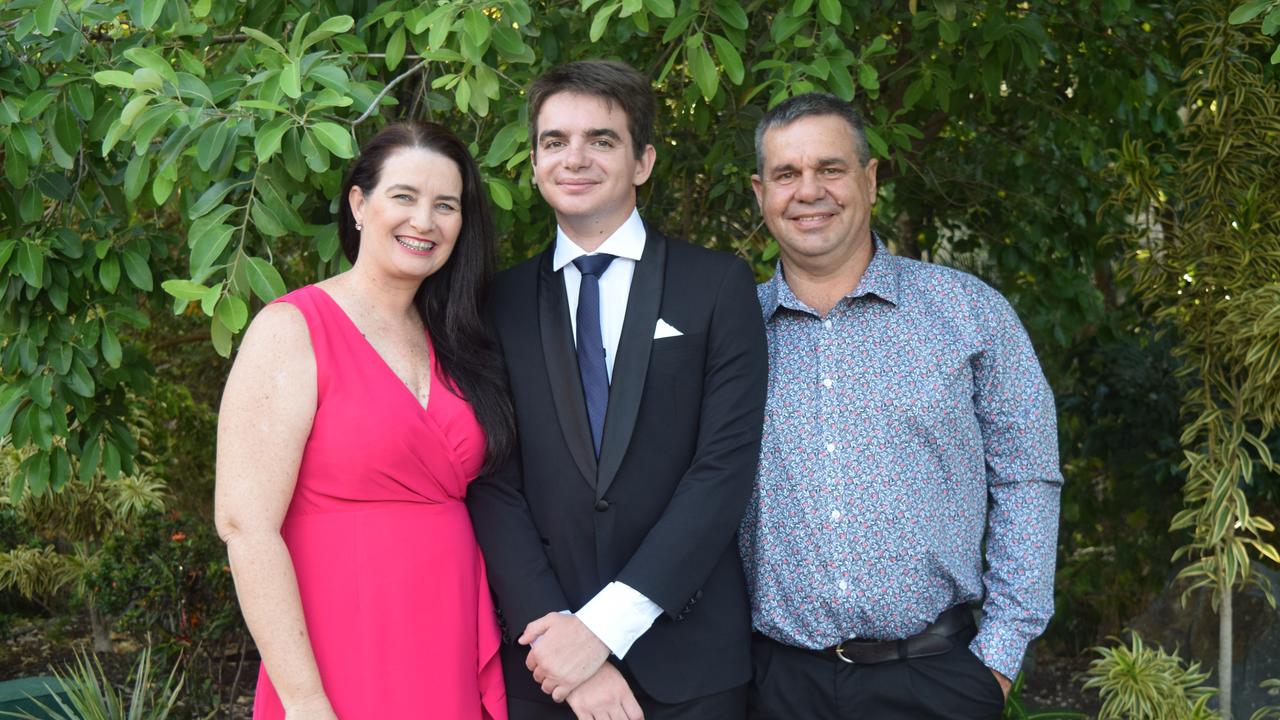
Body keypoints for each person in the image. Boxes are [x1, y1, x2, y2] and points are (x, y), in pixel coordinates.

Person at [739, 92, 1063, 720]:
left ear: (870, 178)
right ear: (761, 193)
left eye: (830, 169)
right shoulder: (733, 332)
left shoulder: (967, 312)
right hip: (776, 685)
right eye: (787, 174)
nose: (810, 191)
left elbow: (1028, 477)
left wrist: (998, 657)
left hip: (936, 678)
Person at [467, 60, 768, 720]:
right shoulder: (499, 303)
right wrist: (559, 636)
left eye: (601, 139)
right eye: (554, 141)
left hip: (691, 664)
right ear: (536, 159)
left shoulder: (717, 286)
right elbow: (493, 479)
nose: (574, 158)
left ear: (642, 161)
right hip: (545, 668)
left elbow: (722, 471)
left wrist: (602, 629)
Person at [215, 121, 514, 719]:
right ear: (358, 203)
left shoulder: (459, 339)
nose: (424, 222)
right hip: (339, 640)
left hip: (445, 630)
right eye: (403, 197)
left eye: (445, 205)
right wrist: (303, 699)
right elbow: (245, 526)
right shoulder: (292, 328)